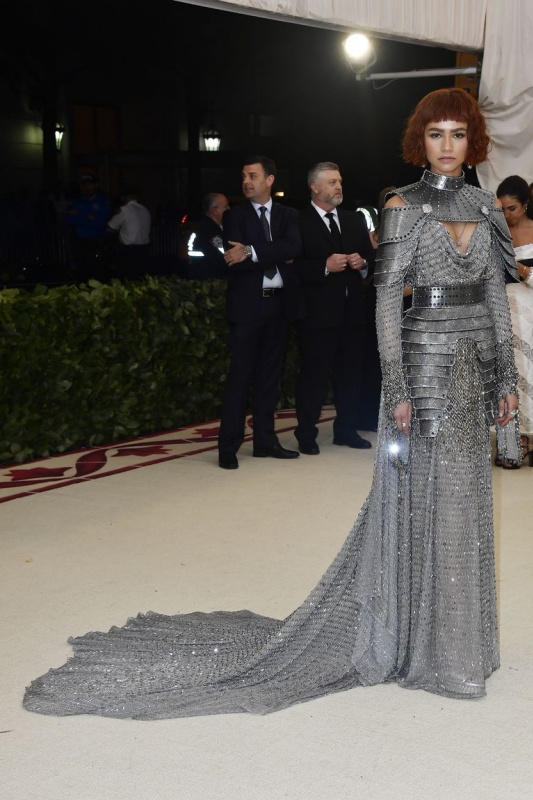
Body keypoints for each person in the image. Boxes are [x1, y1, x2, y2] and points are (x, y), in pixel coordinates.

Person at [23, 89, 520, 719]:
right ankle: (428, 649)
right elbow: (386, 298)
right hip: (424, 363)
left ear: (472, 140)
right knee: (429, 496)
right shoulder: (402, 206)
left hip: (476, 365)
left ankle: (465, 646)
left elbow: (497, 303)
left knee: (468, 499)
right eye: (435, 134)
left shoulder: (485, 206)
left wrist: (507, 376)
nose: (446, 146)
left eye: (457, 134)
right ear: (419, 141)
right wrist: (395, 385)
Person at [216, 156, 302, 470]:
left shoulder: (288, 214)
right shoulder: (234, 216)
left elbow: (293, 247)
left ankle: (265, 442)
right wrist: (275, 253)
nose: (246, 181)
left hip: (279, 306)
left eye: (252, 175)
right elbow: (232, 255)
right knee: (240, 378)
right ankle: (228, 446)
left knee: (269, 377)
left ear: (270, 180)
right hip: (247, 308)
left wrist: (252, 251)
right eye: (243, 176)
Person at [294, 162, 375, 455]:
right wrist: (323, 267)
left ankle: (346, 430)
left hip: (352, 315)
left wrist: (363, 264)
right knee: (313, 377)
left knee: (350, 375)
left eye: (339, 181)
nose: (338, 187)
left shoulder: (353, 220)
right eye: (331, 182)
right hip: (316, 316)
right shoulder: (299, 221)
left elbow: (371, 258)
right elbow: (293, 268)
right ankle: (306, 433)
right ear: (314, 188)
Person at [496, 174, 533, 466]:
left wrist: (527, 272)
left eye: (512, 208)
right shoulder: (496, 234)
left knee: (530, 372)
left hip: (530, 308)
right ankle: (512, 440)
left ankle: (530, 438)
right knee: (509, 374)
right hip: (503, 310)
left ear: (525, 204)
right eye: (503, 208)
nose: (507, 215)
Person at [66, 174, 110, 281]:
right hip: (80, 243)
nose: (87, 187)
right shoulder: (78, 202)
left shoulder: (103, 202)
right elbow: (69, 219)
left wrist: (79, 215)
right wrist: (87, 216)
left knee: (99, 273)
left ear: (96, 185)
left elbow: (99, 223)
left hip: (97, 243)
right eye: (85, 185)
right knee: (82, 273)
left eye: (90, 185)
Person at [107, 187, 151, 279]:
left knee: (128, 278)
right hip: (144, 249)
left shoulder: (124, 210)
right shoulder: (145, 210)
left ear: (122, 198)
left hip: (129, 251)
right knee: (141, 278)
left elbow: (110, 227)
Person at [191, 193, 230, 279]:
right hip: (210, 281)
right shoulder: (209, 230)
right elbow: (224, 258)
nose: (228, 209)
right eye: (226, 207)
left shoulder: (208, 227)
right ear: (215, 210)